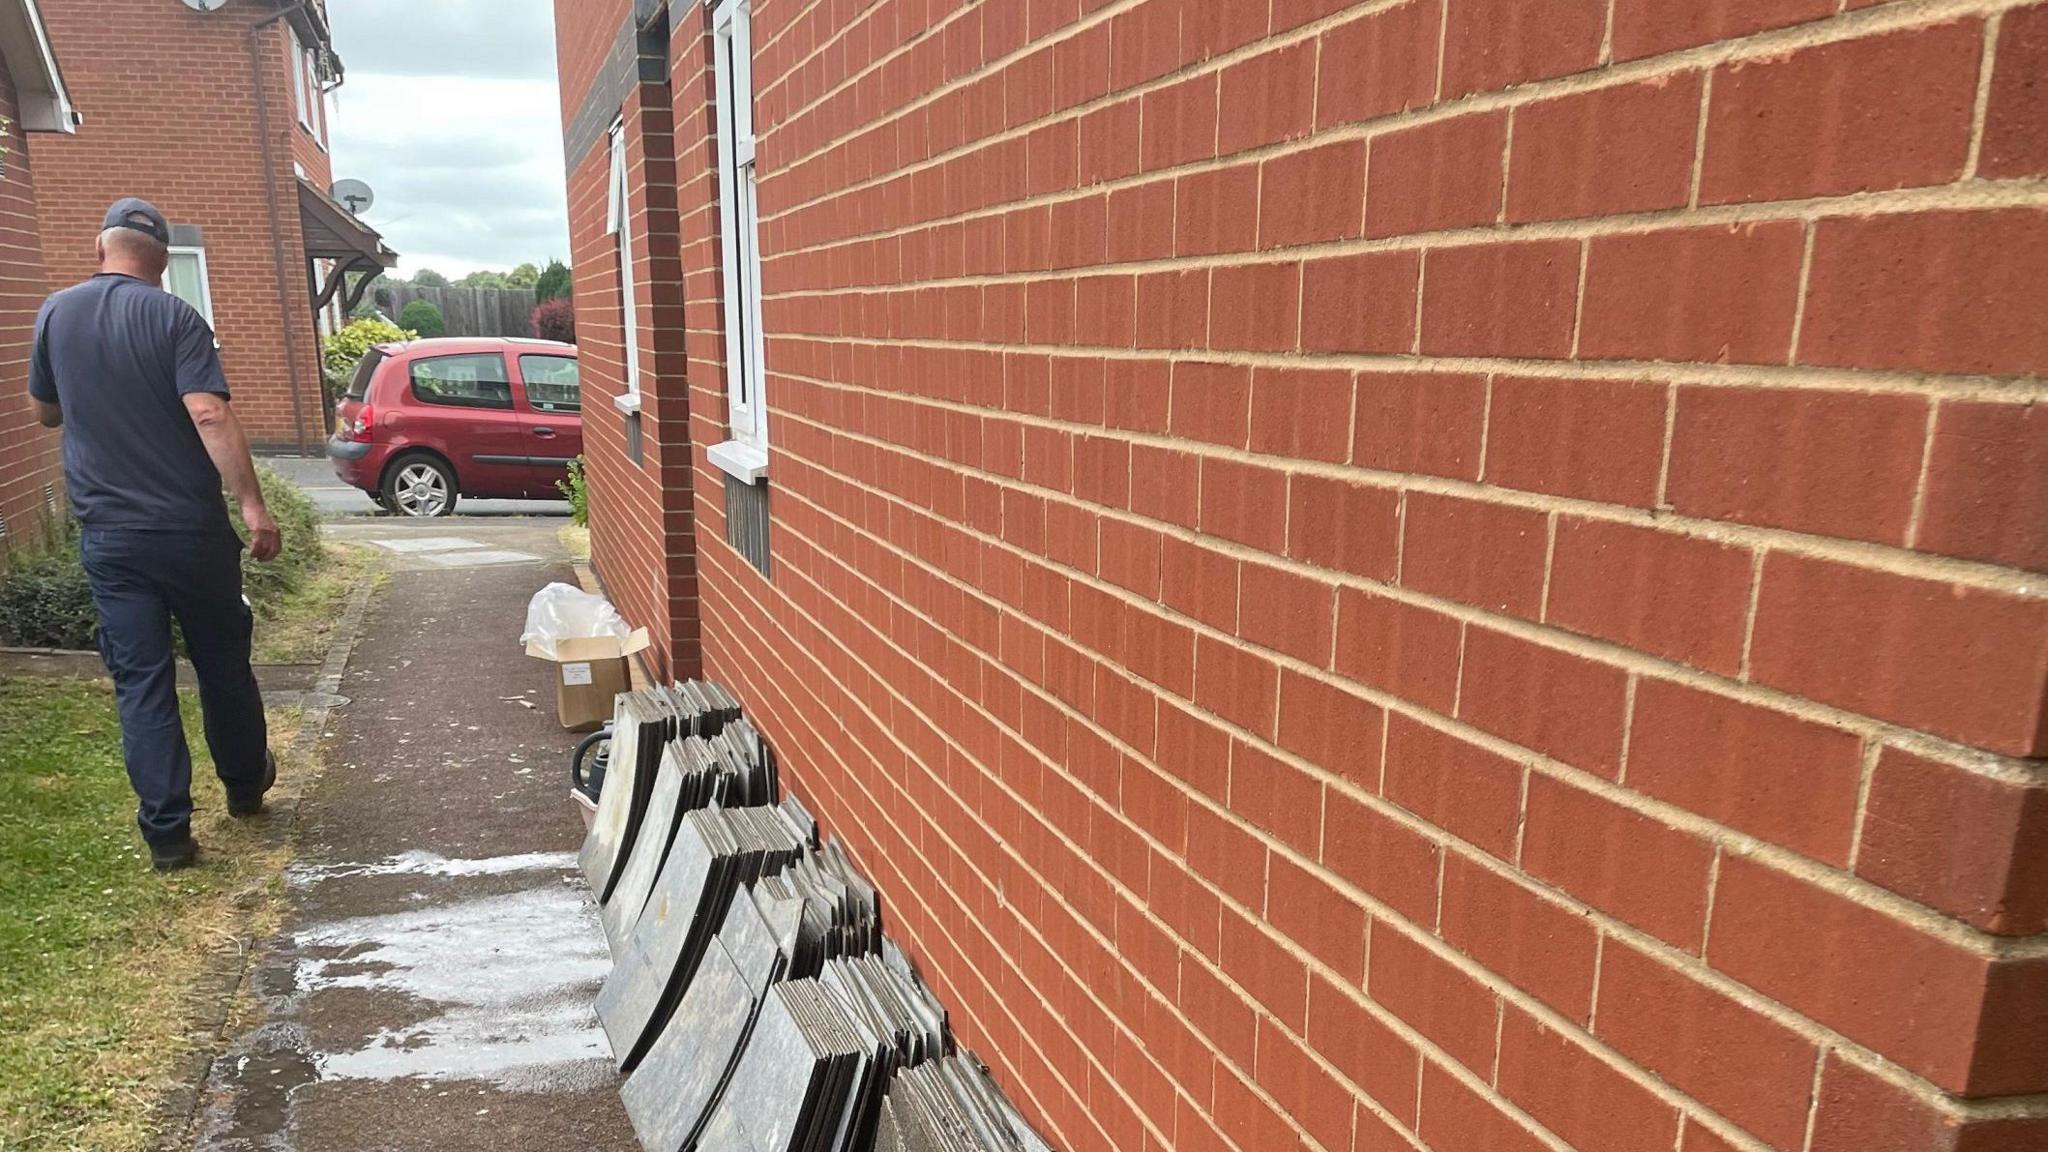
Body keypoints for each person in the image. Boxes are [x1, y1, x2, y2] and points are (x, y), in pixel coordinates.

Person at [28, 198, 282, 872]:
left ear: (98, 247)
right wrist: (253, 506)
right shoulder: (176, 318)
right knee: (222, 661)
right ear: (163, 264)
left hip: (111, 536)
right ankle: (243, 786)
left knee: (141, 680)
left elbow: (44, 410)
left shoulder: (56, 313)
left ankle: (168, 835)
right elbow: (207, 411)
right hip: (190, 531)